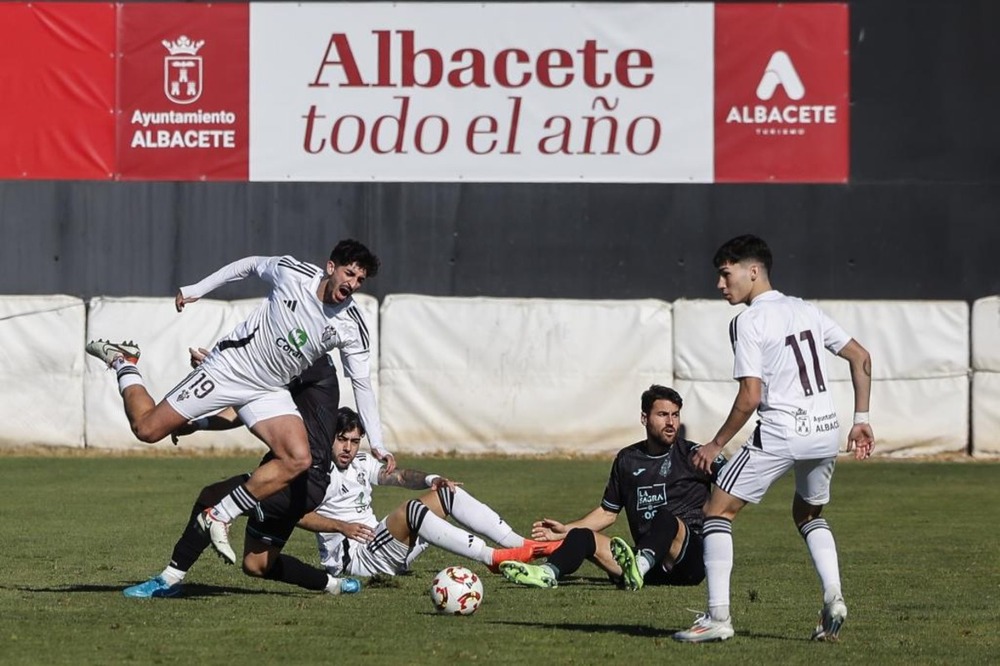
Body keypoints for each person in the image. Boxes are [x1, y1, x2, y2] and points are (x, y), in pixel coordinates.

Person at [86, 239, 394, 565]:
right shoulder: (293, 273)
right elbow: (248, 265)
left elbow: (362, 384)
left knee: (298, 458)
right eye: (349, 274)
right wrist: (197, 289)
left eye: (360, 280)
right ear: (330, 267)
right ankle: (125, 363)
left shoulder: (351, 325)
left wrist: (377, 443)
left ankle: (220, 515)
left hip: (268, 389)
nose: (352, 284)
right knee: (147, 429)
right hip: (229, 369)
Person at [673, 234, 875, 644]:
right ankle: (834, 596)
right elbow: (862, 357)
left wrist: (715, 444)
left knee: (716, 511)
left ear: (752, 271)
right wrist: (862, 420)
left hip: (783, 431)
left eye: (725, 274)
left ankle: (717, 618)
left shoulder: (748, 321)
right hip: (824, 431)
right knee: (808, 514)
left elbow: (750, 396)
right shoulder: (805, 309)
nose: (719, 284)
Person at [122, 353, 361, 598]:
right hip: (301, 480)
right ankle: (334, 585)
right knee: (257, 564)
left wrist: (222, 366)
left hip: (297, 476)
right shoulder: (298, 368)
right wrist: (200, 423)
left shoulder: (311, 361)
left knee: (211, 496)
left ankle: (169, 579)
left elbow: (247, 378)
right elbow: (245, 403)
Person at [499, 385, 724, 590]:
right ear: (644, 418)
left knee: (664, 518)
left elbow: (735, 482)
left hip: (688, 562)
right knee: (582, 536)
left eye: (675, 415)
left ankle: (638, 565)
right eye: (663, 415)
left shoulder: (696, 455)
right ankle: (547, 573)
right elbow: (608, 512)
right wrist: (566, 529)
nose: (671, 422)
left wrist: (717, 516)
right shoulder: (628, 459)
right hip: (648, 567)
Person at [302, 408, 558, 578]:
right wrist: (340, 527)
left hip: (382, 545)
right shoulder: (316, 473)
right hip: (356, 560)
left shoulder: (361, 461)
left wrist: (432, 478)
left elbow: (400, 476)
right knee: (410, 511)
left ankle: (521, 544)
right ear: (329, 438)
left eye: (354, 441)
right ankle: (491, 557)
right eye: (342, 439)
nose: (348, 447)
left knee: (447, 492)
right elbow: (298, 516)